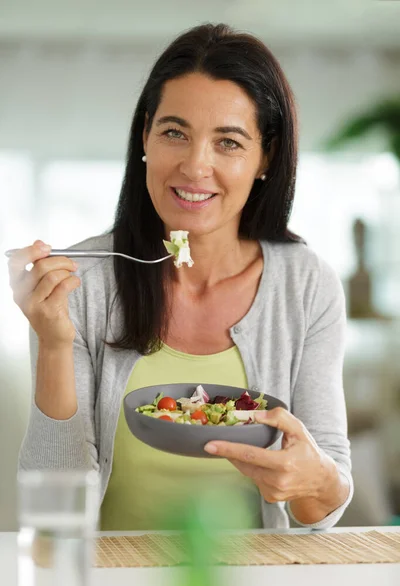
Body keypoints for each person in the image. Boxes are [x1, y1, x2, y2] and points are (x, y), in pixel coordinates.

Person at [8, 23, 353, 530]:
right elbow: (57, 510)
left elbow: (320, 509)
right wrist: (55, 344)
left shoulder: (307, 285)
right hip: (113, 578)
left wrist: (311, 479)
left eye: (228, 142)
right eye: (175, 133)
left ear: (267, 158)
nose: (195, 166)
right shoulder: (82, 283)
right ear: (145, 135)